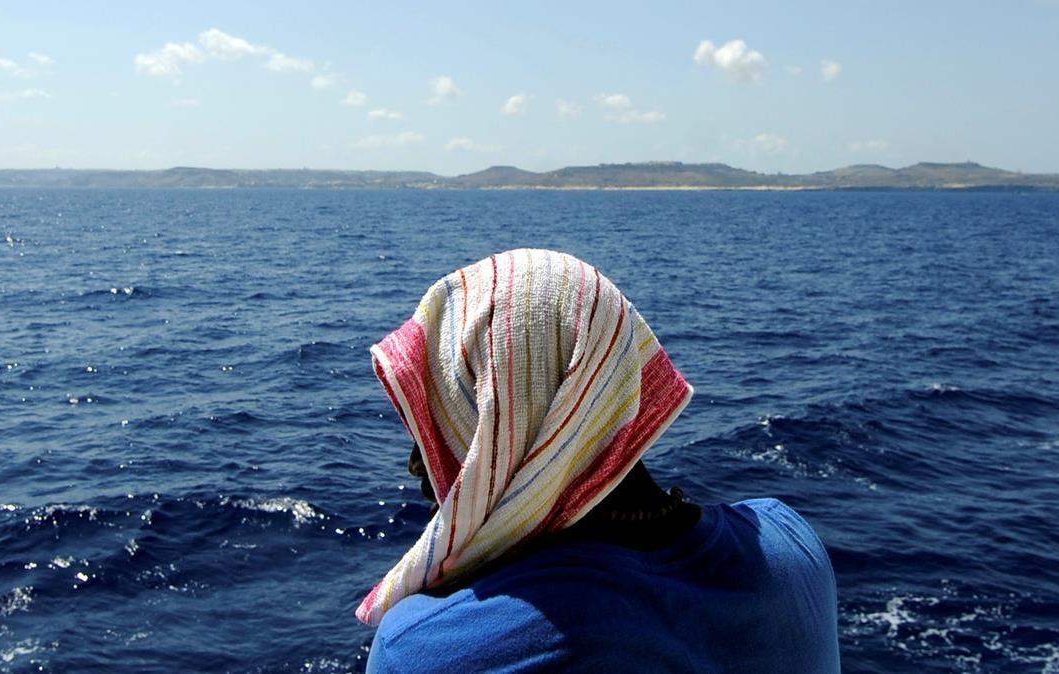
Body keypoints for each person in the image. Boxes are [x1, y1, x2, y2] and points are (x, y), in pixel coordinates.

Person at [358, 249, 839, 673]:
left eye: (443, 419)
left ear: (509, 426)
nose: (415, 464)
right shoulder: (792, 546)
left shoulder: (427, 648)